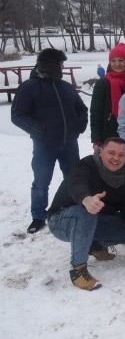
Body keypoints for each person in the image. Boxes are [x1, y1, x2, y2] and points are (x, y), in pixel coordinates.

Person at [46, 138, 125, 290]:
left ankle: (96, 246)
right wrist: (86, 199)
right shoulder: (86, 165)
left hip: (93, 220)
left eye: (121, 155)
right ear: (101, 151)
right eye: (111, 153)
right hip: (61, 220)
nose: (116, 158)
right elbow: (76, 183)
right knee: (87, 211)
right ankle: (78, 270)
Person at [11, 48, 88, 234]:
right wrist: (41, 131)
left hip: (69, 144)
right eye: (60, 64)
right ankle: (38, 217)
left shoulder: (65, 86)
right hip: (44, 145)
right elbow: (17, 115)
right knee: (41, 182)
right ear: (51, 65)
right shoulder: (29, 87)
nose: (63, 67)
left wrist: (79, 126)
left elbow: (81, 108)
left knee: (73, 178)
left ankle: (69, 207)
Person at [90, 43, 125, 148]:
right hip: (109, 132)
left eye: (121, 60)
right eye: (113, 61)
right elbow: (96, 112)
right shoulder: (103, 83)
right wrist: (96, 140)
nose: (117, 64)